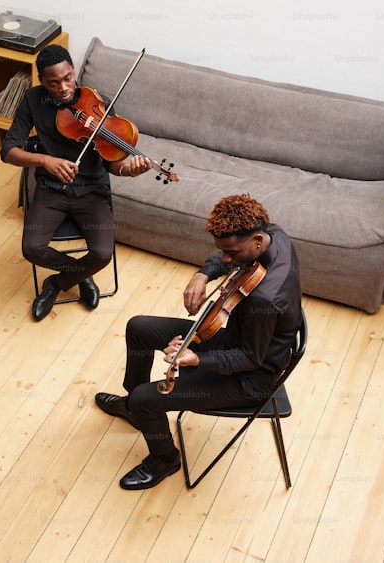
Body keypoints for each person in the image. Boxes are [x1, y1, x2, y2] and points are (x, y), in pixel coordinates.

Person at [94, 194, 302, 490]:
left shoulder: (265, 299)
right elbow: (224, 259)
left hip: (249, 379)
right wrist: (202, 274)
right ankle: (134, 410)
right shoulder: (272, 233)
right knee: (138, 328)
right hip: (235, 339)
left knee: (146, 398)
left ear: (257, 240)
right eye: (222, 252)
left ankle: (165, 459)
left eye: (231, 253)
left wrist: (195, 359)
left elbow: (249, 358)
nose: (226, 260)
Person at [0, 44, 151, 321]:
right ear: (43, 82)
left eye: (68, 78)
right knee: (32, 248)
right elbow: (7, 150)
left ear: (74, 71)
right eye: (53, 83)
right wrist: (46, 161)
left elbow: (111, 162)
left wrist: (129, 171)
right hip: (51, 189)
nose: (64, 88)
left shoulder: (98, 102)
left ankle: (56, 284)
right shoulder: (33, 100)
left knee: (103, 253)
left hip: (92, 190)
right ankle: (82, 275)